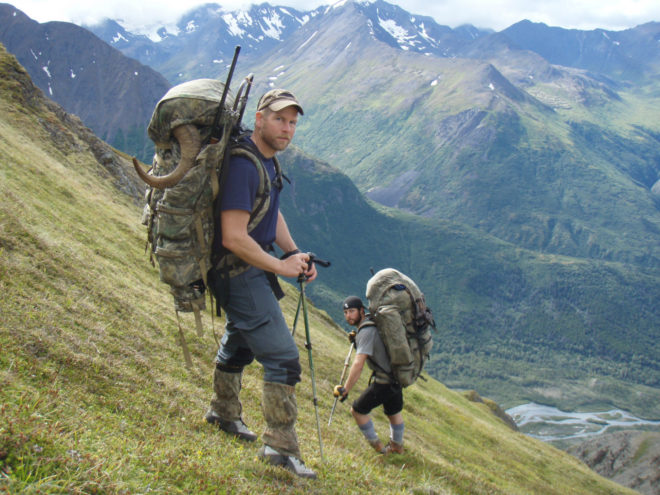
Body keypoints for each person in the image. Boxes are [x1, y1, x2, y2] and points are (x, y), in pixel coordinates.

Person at [204, 88, 318, 479]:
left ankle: (223, 413)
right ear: (258, 118)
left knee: (239, 341)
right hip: (237, 272)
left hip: (249, 267)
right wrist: (280, 267)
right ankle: (280, 447)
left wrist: (295, 254)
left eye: (292, 122)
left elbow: (271, 210)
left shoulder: (266, 163)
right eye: (279, 119)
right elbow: (233, 236)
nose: (286, 129)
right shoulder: (244, 166)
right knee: (284, 359)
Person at [334, 296, 405, 455]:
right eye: (345, 312)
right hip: (396, 377)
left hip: (384, 381)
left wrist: (346, 389)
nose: (348, 316)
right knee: (393, 412)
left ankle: (380, 450)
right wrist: (357, 340)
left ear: (361, 310)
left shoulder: (366, 331)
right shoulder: (375, 322)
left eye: (352, 311)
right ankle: (397, 447)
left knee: (357, 410)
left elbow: (358, 364)